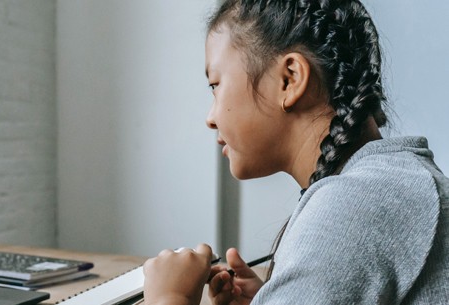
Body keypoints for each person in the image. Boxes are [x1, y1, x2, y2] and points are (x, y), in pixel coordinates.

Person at [141, 0, 449, 304]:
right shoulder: (386, 186)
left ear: (290, 79)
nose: (210, 118)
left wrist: (170, 296)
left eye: (215, 84)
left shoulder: (353, 208)